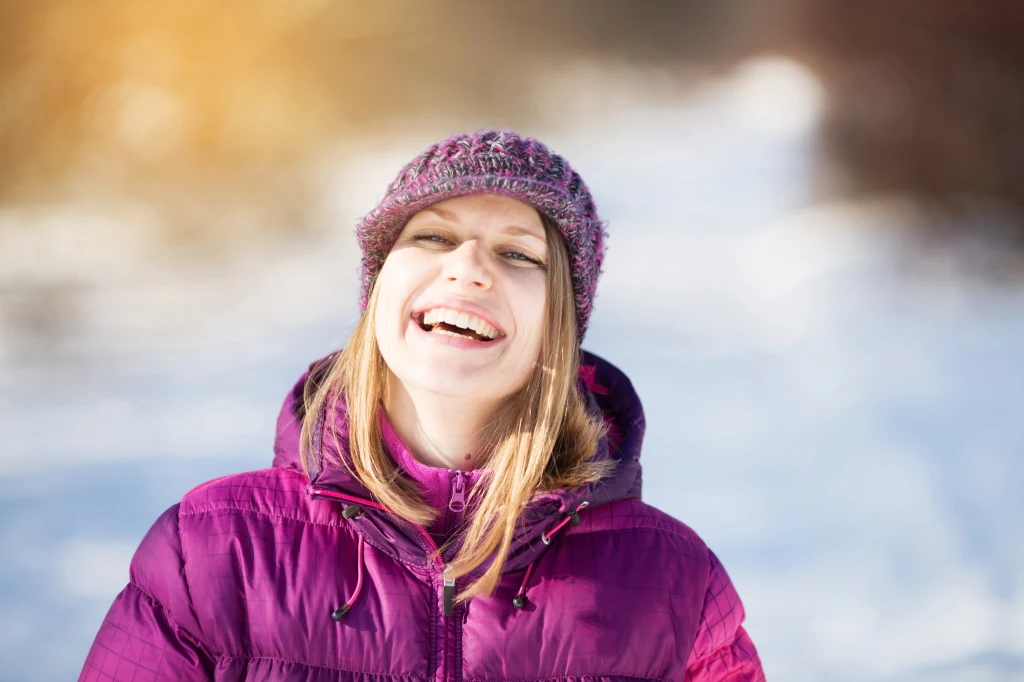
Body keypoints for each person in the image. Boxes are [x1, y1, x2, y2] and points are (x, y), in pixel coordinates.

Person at [79, 130, 765, 682]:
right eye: (432, 237)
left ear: (559, 327)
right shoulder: (212, 551)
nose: (467, 266)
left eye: (519, 254)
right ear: (378, 290)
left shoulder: (674, 584)